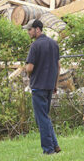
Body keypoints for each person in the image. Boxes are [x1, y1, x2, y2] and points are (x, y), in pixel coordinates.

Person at [26, 19, 61, 155]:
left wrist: (26, 70)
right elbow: (58, 66)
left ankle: (48, 150)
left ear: (37, 29)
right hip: (49, 86)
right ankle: (55, 145)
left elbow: (30, 67)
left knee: (41, 118)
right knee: (44, 117)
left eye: (30, 29)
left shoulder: (35, 46)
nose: (28, 32)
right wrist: (55, 84)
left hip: (38, 86)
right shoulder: (54, 44)